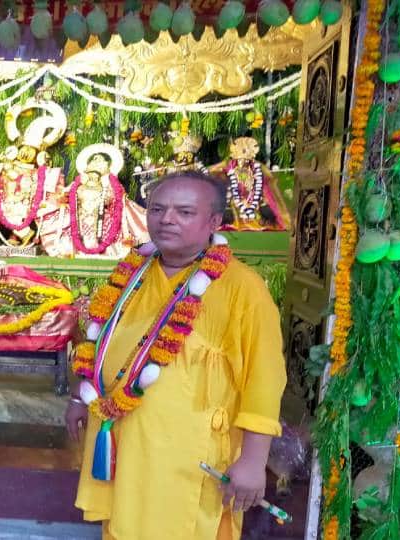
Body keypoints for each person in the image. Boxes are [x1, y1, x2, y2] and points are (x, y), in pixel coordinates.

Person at [66, 170, 286, 540]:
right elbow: (99, 343)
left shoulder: (242, 288)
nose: (166, 219)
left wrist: (253, 461)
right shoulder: (132, 274)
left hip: (187, 452)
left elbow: (264, 378)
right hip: (126, 438)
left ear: (213, 221)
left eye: (184, 212)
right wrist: (80, 395)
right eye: (157, 209)